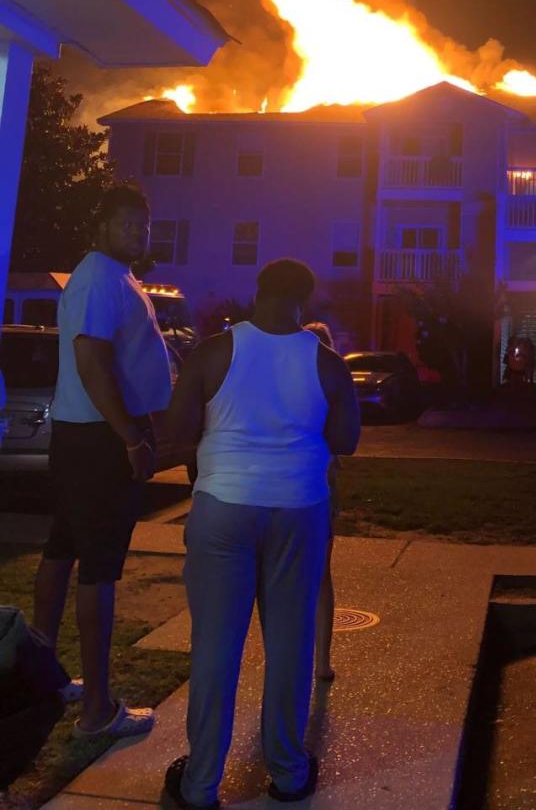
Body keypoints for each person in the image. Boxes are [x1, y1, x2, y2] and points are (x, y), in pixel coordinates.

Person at [163, 261, 360, 809]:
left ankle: (200, 783)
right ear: (306, 299)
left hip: (223, 505)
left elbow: (176, 430)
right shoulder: (326, 362)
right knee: (291, 645)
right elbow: (345, 440)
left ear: (257, 293)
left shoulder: (212, 351)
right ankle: (289, 773)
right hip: (299, 507)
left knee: (214, 648)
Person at [32, 183, 169, 738]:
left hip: (84, 436)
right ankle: (97, 712)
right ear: (102, 226)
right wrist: (130, 437)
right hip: (98, 441)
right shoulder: (96, 278)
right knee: (99, 568)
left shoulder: (117, 277)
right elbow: (92, 360)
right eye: (127, 224)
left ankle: (42, 677)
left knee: (63, 551)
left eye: (144, 224)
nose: (138, 232)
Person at [303, 322, 340, 685]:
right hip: (320, 488)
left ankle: (294, 658)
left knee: (284, 577)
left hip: (293, 486)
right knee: (320, 577)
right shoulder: (330, 386)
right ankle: (322, 662)